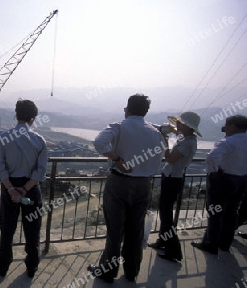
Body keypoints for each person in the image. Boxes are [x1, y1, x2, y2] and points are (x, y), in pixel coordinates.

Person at [89, 94, 165, 283]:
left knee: (115, 231)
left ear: (127, 109)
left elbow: (99, 143)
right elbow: (161, 155)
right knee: (135, 230)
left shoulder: (119, 126)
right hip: (143, 184)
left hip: (120, 183)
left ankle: (108, 272)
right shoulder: (156, 132)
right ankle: (131, 272)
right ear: (146, 111)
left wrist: (117, 160)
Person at [0, 99, 47, 278]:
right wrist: (24, 189)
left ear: (16, 115)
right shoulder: (39, 140)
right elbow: (40, 171)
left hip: (10, 188)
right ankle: (32, 266)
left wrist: (12, 190)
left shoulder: (3, 137)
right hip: (31, 189)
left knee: (7, 228)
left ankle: (3, 266)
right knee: (32, 227)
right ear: (32, 119)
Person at [148, 111, 201, 262]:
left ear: (186, 125)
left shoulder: (189, 142)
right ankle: (162, 241)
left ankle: (174, 250)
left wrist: (164, 141)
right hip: (171, 177)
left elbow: (170, 158)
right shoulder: (185, 138)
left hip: (173, 179)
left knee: (166, 216)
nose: (176, 125)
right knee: (164, 213)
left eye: (179, 123)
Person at [192, 115, 247, 254]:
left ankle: (210, 243)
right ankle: (225, 243)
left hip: (224, 180)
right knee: (232, 211)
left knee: (215, 212)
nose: (225, 129)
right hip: (242, 180)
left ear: (233, 126)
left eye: (226, 126)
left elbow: (211, 157)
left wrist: (214, 171)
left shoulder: (227, 142)